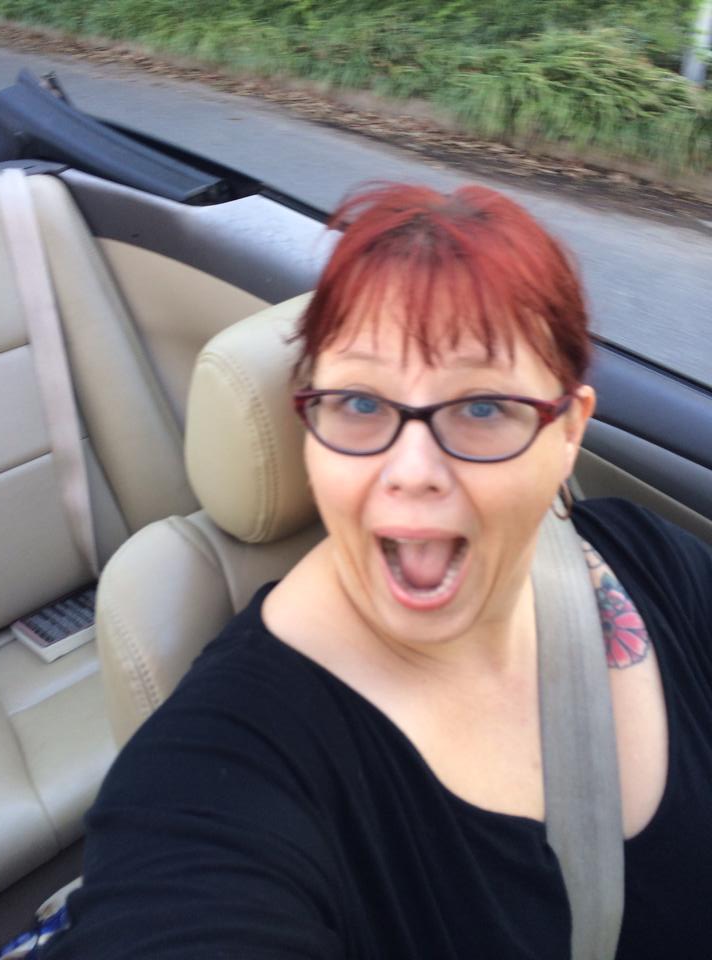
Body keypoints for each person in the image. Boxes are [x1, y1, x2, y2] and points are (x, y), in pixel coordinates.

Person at [42, 184, 712, 959]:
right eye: (360, 403)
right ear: (309, 424)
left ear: (566, 432)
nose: (412, 469)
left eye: (483, 407)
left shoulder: (648, 558)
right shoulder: (227, 757)